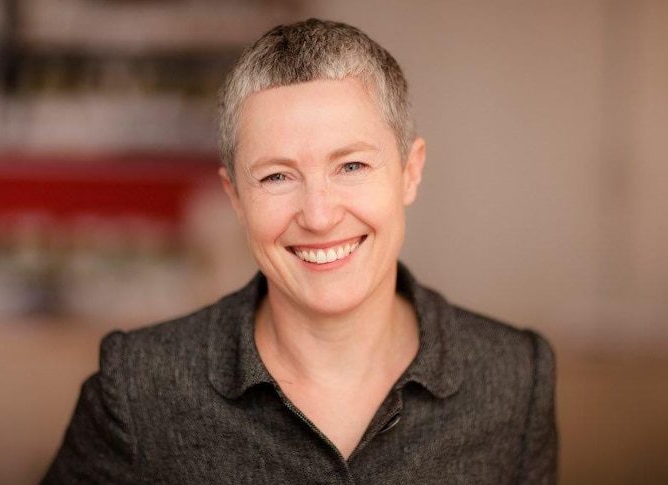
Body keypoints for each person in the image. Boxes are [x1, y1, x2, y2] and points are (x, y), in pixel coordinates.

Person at [42, 18, 557, 484]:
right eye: (277, 176)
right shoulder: (136, 388)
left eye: (351, 166)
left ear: (410, 171)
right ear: (236, 199)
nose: (318, 215)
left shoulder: (515, 376)